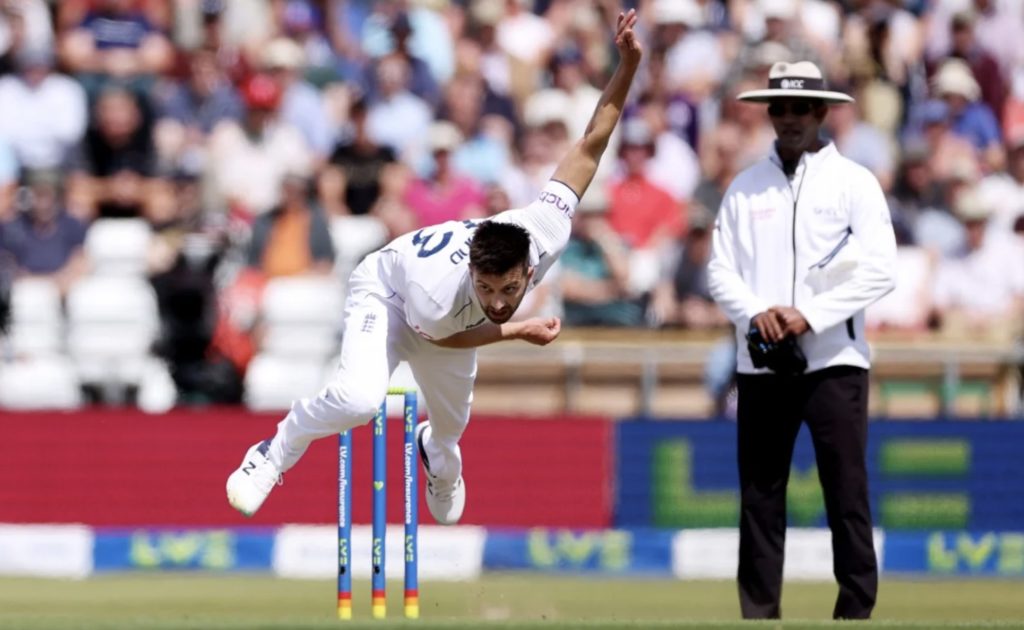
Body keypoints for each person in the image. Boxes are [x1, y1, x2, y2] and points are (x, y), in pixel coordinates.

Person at [226, 10, 643, 524]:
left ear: (528, 269)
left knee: (448, 429)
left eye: (508, 289)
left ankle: (437, 458)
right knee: (359, 400)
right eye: (487, 288)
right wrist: (517, 327)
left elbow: (593, 139)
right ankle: (273, 451)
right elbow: (443, 338)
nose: (496, 300)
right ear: (471, 271)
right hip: (391, 295)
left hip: (447, 323)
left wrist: (628, 65)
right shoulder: (443, 292)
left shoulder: (546, 227)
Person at [707, 61, 897, 620]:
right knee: (760, 496)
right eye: (780, 108)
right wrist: (759, 314)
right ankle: (760, 611)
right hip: (762, 363)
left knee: (847, 492)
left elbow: (882, 270)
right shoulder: (745, 187)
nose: (789, 118)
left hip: (836, 360)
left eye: (800, 108)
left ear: (821, 112)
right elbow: (721, 272)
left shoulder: (854, 181)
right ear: (770, 114)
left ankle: (855, 610)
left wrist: (807, 315)